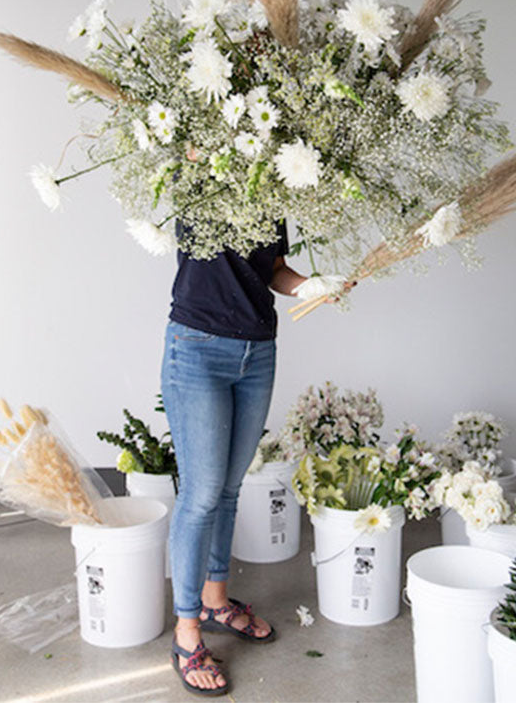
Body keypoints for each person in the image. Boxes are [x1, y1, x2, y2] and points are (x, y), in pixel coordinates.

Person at [160, 221, 349, 695]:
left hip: (258, 352)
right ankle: (187, 635)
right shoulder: (196, 173)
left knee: (228, 489)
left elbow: (274, 270)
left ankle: (215, 602)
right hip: (198, 347)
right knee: (201, 496)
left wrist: (312, 286)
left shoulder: (270, 191)